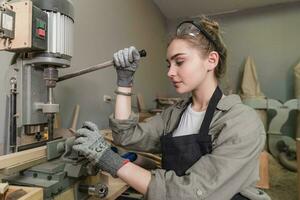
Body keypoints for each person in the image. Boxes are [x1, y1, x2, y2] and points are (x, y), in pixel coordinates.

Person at [73, 16, 270, 200]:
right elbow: (126, 135)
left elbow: (195, 193)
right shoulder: (174, 114)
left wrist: (111, 160)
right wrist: (124, 81)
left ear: (211, 60)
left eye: (180, 62)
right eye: (169, 64)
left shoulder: (241, 122)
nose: (170, 72)